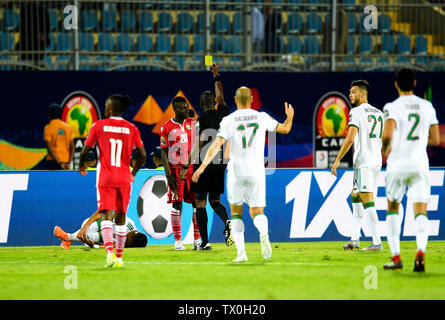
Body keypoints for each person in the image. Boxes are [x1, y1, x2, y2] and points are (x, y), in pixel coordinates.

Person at [192, 87, 294, 262]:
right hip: (256, 170)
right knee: (257, 212)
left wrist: (201, 167)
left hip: (236, 171)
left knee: (236, 214)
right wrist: (290, 116)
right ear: (252, 99)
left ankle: (241, 254)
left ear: (235, 99)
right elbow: (285, 129)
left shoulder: (228, 120)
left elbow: (216, 146)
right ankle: (263, 233)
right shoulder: (262, 117)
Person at [381, 68, 440, 272]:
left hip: (397, 164)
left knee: (393, 207)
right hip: (419, 164)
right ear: (414, 83)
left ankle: (396, 258)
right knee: (420, 210)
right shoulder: (427, 106)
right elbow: (436, 139)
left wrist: (384, 148)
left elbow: (388, 134)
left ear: (396, 84)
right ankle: (420, 251)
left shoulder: (392, 107)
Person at [78, 94, 147, 268]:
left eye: (106, 106)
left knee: (108, 215)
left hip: (106, 176)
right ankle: (119, 258)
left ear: (109, 109)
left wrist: (82, 165)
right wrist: (134, 173)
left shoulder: (99, 126)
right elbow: (143, 155)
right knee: (121, 217)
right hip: (124, 176)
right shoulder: (132, 128)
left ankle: (109, 254)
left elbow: (85, 150)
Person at [183, 64, 232, 251]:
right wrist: (216, 76)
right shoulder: (224, 113)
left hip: (203, 164)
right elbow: (221, 96)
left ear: (201, 105)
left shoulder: (200, 121)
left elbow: (199, 144)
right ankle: (227, 221)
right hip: (221, 164)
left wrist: (189, 164)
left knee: (201, 202)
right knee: (216, 201)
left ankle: (204, 242)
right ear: (216, 102)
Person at [331, 80, 384, 251]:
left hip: (364, 163)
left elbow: (350, 138)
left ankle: (377, 242)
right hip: (376, 162)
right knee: (355, 196)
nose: (350, 95)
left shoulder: (356, 112)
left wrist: (337, 159)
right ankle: (355, 239)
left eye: (353, 92)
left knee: (367, 200)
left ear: (362, 94)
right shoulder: (379, 113)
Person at [160, 96, 201, 251]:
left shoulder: (192, 124)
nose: (186, 110)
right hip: (175, 170)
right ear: (176, 109)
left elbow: (197, 146)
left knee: (196, 203)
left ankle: (197, 240)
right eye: (183, 107)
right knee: (177, 204)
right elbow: (164, 153)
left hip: (191, 169)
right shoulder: (166, 127)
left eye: (186, 107)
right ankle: (178, 242)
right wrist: (168, 175)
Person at [54, 212, 148, 249]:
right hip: (91, 226)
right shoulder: (125, 222)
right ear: (132, 233)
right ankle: (68, 237)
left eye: (128, 243)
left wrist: (93, 246)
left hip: (91, 242)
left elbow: (108, 247)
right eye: (128, 239)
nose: (125, 240)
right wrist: (85, 227)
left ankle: (68, 237)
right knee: (108, 229)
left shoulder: (127, 244)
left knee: (107, 235)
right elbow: (101, 212)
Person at [43, 103, 74, 170]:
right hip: (66, 163)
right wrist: (69, 162)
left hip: (52, 162)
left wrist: (59, 162)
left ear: (50, 114)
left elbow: (49, 148)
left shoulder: (48, 128)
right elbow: (72, 147)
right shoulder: (68, 127)